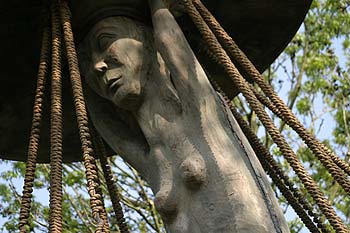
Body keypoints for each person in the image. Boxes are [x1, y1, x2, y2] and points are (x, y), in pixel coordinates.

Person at [78, 0, 289, 232]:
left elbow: (176, 53)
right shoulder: (150, 158)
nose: (96, 65)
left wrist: (159, 9)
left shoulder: (198, 112)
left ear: (147, 42)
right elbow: (102, 121)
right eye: (86, 62)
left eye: (105, 41)